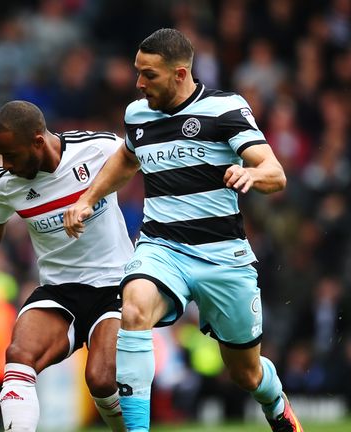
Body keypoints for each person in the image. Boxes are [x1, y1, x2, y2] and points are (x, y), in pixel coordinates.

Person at [63, 29, 303, 432]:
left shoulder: (225, 108)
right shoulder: (138, 115)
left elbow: (275, 173)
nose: (139, 84)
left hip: (223, 257)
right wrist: (88, 198)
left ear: (179, 74)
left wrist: (250, 173)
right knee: (135, 305)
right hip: (162, 248)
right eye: (137, 73)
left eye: (149, 75)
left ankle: (277, 404)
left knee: (245, 374)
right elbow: (126, 158)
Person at [0, 100, 132, 432]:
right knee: (19, 355)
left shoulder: (97, 149)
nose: (6, 165)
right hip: (59, 291)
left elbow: (136, 159)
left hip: (114, 286)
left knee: (101, 379)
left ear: (38, 141)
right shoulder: (8, 183)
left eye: (11, 155)